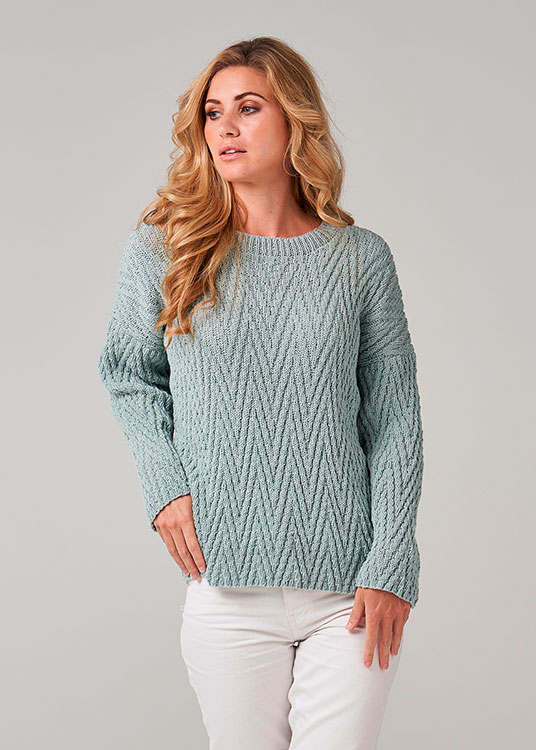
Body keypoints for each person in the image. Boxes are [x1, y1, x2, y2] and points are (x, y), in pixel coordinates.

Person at [97, 36, 424, 750]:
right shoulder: (165, 249)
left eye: (248, 108)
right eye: (213, 113)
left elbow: (395, 417)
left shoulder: (360, 259)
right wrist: (165, 486)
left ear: (295, 119)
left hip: (349, 590)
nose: (226, 128)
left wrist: (394, 559)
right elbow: (129, 374)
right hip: (227, 590)